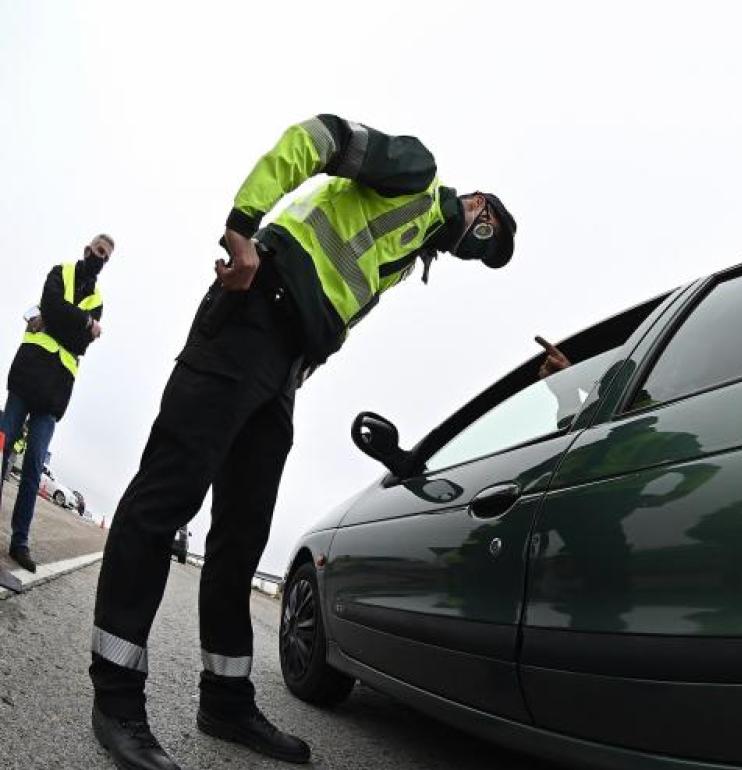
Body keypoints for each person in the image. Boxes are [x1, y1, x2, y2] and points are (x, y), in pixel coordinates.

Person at [89, 115, 516, 770]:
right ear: (480, 205)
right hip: (253, 309)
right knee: (165, 500)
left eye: (480, 255)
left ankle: (225, 701)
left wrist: (300, 371)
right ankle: (116, 698)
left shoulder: (408, 255)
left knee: (242, 538)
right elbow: (319, 138)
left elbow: (337, 299)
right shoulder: (417, 173)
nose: (472, 247)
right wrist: (243, 225)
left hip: (283, 367)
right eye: (483, 236)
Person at [0, 234, 111, 573]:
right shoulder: (59, 272)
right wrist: (83, 323)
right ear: (86, 250)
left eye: (105, 255)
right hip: (28, 373)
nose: (99, 256)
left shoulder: (98, 299)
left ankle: (19, 542)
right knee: (2, 449)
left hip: (55, 392)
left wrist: (61, 320)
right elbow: (51, 306)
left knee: (33, 467)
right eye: (97, 250)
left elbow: (79, 344)